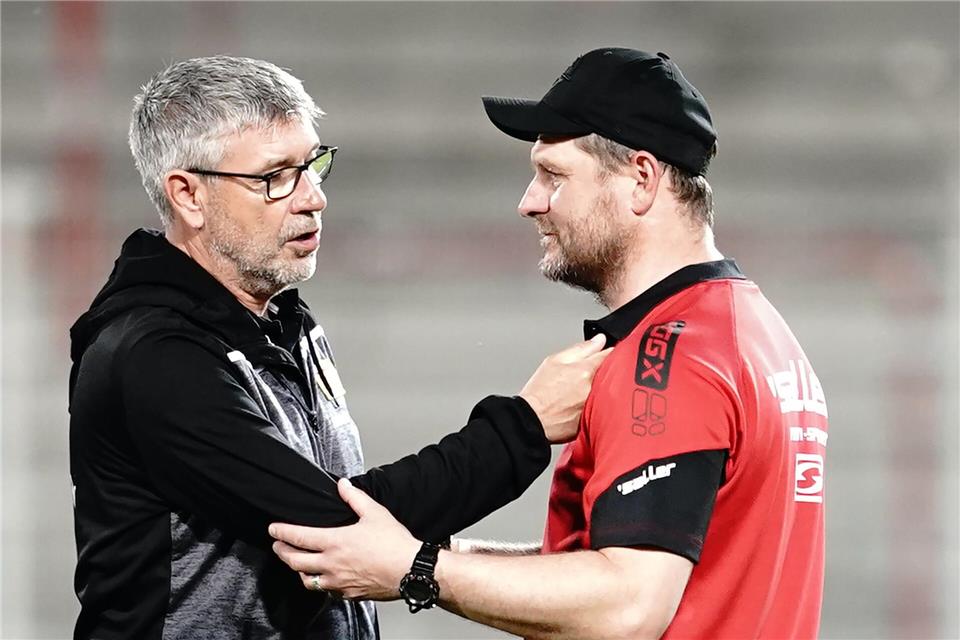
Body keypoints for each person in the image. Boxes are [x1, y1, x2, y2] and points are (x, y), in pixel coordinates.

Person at [270, 47, 829, 639]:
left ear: (641, 178)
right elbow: (624, 566)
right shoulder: (758, 332)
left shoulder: (670, 354)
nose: (529, 202)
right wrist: (417, 551)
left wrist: (416, 569)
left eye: (553, 176)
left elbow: (627, 606)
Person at [68, 55, 610, 640]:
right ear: (188, 196)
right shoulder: (150, 354)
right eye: (274, 177)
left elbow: (365, 531)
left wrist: (560, 574)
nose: (313, 197)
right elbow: (337, 529)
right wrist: (523, 427)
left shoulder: (282, 323)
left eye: (313, 165)